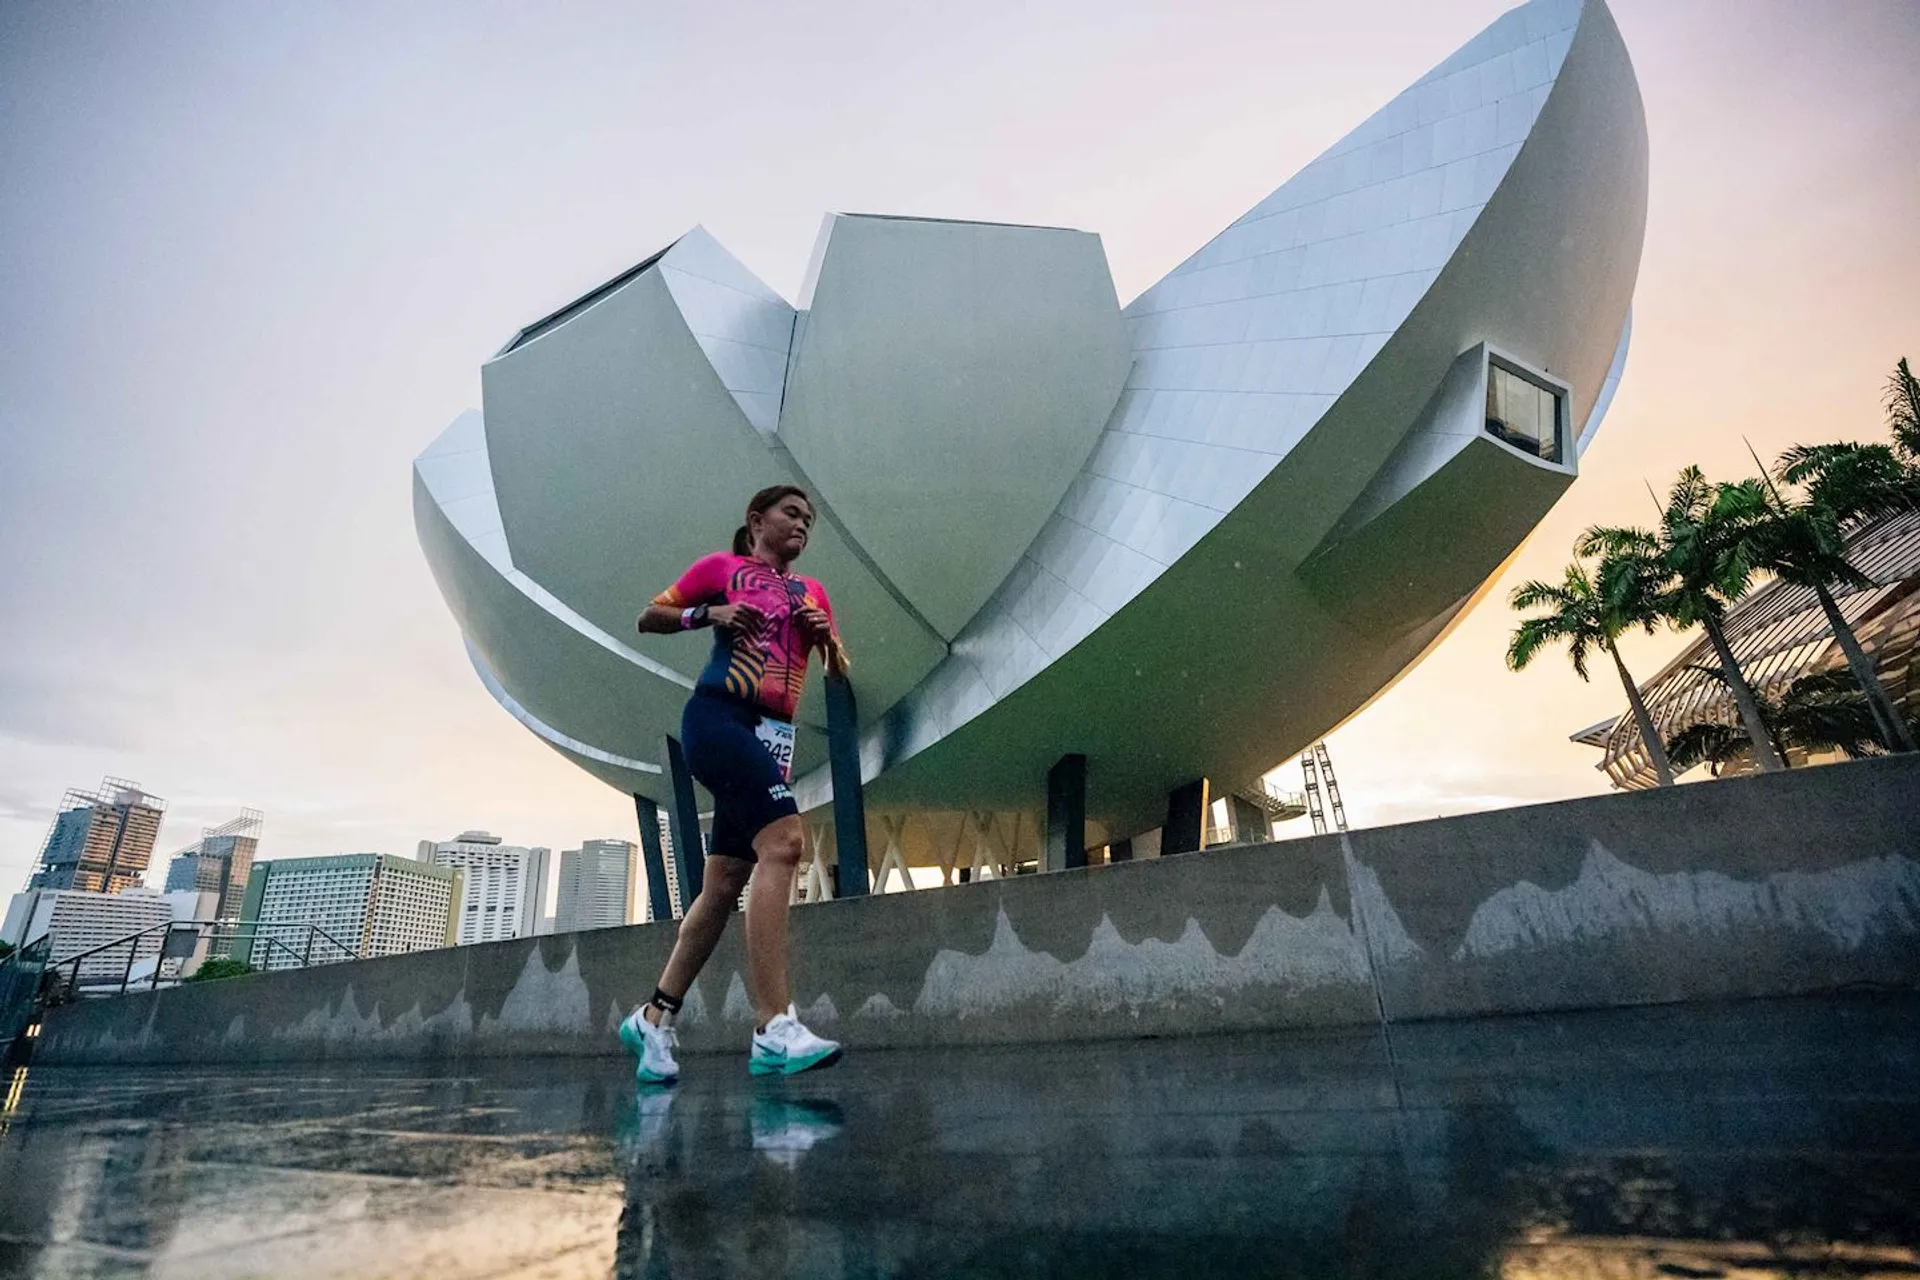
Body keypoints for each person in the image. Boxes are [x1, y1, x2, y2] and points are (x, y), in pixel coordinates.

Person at [618, 484, 850, 1083]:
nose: (802, 526)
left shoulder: (812, 590)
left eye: (808, 521)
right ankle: (773, 1026)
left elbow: (839, 666)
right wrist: (708, 613)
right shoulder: (722, 569)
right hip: (718, 719)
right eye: (790, 514)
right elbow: (650, 615)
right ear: (756, 520)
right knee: (785, 844)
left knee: (722, 884)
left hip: (771, 736)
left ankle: (653, 1018)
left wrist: (825, 636)